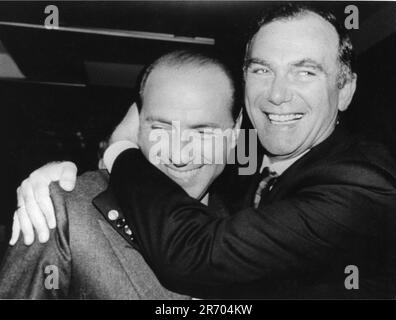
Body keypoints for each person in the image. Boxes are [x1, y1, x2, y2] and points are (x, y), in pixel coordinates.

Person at [10, 4, 396, 299]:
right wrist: (58, 177)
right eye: (262, 69)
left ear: (347, 90)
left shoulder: (365, 187)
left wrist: (118, 151)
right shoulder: (246, 176)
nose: (278, 94)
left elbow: (196, 254)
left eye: (305, 71)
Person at [0, 49, 241, 299]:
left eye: (203, 133)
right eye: (160, 129)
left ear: (234, 135)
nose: (179, 156)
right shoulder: (62, 212)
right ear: (136, 127)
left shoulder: (242, 226)